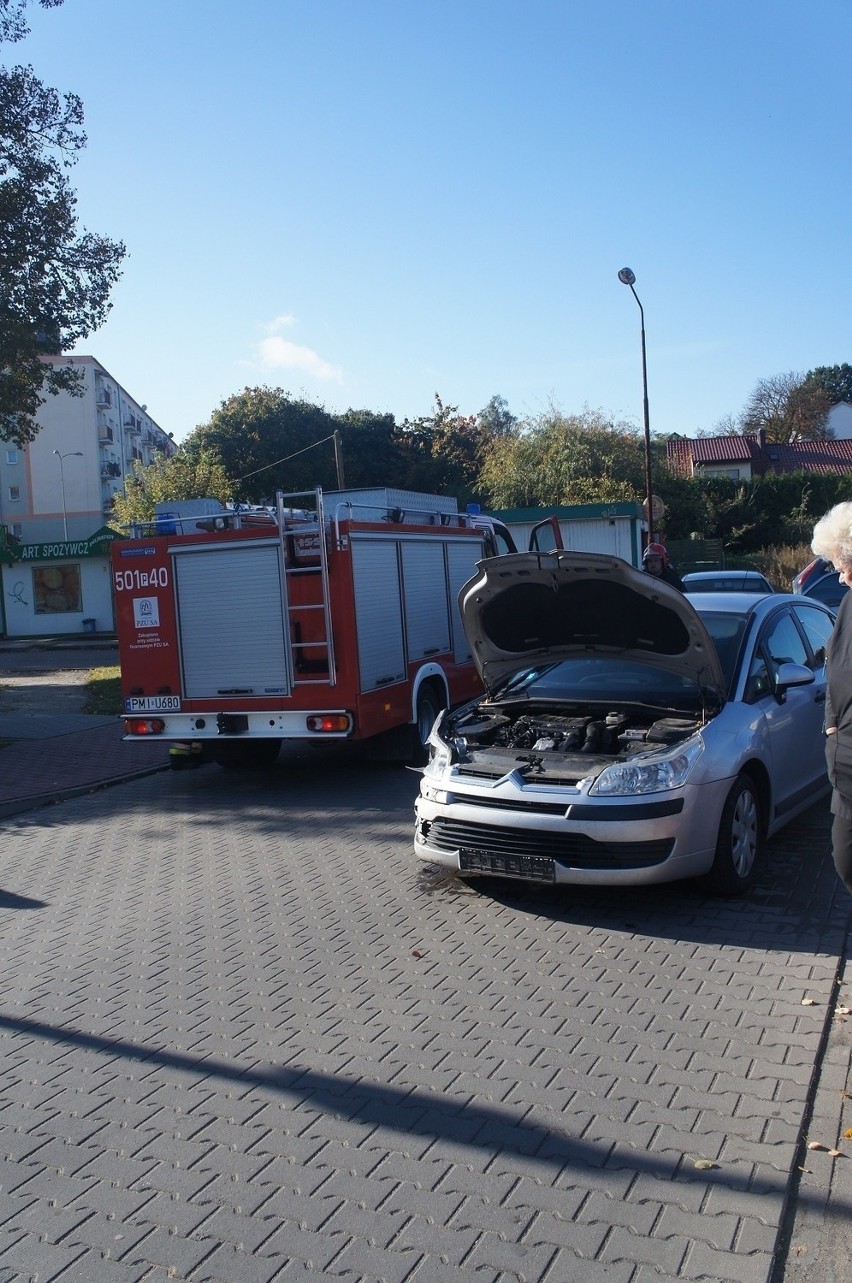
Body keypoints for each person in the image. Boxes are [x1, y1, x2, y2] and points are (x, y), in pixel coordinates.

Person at [811, 501, 852, 897]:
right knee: (845, 858)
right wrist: (830, 723)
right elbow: (834, 663)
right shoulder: (848, 605)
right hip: (845, 775)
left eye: (841, 565)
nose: (839, 577)